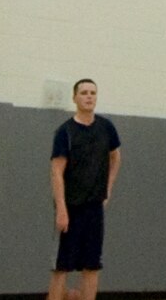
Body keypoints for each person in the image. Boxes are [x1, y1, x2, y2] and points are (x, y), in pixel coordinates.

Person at [47, 79, 121, 300]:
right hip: (70, 207)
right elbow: (57, 171)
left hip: (94, 207)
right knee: (62, 266)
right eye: (84, 93)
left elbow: (116, 156)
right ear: (75, 97)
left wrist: (107, 189)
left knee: (92, 265)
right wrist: (61, 208)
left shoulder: (106, 127)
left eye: (93, 93)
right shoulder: (65, 131)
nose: (89, 96)